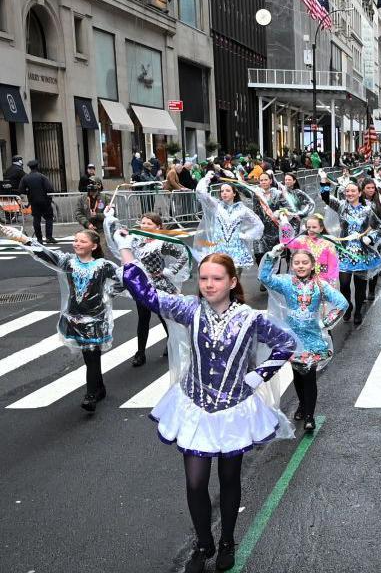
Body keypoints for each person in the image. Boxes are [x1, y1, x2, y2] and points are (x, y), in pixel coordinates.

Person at [116, 244, 296, 573]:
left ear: (231, 282)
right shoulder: (189, 310)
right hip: (195, 405)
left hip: (234, 410)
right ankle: (204, 543)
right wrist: (127, 253)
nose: (208, 284)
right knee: (196, 483)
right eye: (203, 278)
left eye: (216, 278)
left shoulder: (253, 318)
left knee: (229, 480)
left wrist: (257, 376)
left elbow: (286, 344)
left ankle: (227, 540)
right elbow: (147, 295)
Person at [1, 225, 119, 410]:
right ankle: (100, 388)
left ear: (93, 246)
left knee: (92, 355)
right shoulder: (69, 262)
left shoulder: (104, 266)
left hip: (95, 318)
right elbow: (44, 253)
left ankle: (90, 395)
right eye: (75, 240)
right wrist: (21, 238)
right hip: (74, 317)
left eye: (82, 241)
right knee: (89, 357)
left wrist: (108, 294)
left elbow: (124, 280)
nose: (77, 244)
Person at [260, 245, 348, 432]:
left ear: (312, 265)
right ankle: (302, 404)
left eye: (304, 263)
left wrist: (325, 323)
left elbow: (342, 303)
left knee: (309, 377)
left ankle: (309, 415)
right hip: (292, 339)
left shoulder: (321, 285)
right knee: (297, 376)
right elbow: (264, 278)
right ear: (291, 265)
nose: (300, 266)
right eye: (296, 262)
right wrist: (271, 256)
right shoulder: (286, 282)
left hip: (312, 338)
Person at [104, 209, 189, 367]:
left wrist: (168, 271)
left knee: (164, 317)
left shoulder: (162, 242)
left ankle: (172, 345)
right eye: (142, 223)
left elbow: (183, 254)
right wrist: (109, 216)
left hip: (160, 286)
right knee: (143, 319)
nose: (144, 225)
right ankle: (140, 353)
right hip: (141, 285)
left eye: (149, 223)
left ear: (158, 226)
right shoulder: (136, 240)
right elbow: (118, 234)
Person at [321, 181, 381, 326]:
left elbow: (378, 227)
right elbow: (326, 197)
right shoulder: (342, 206)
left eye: (353, 191)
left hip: (361, 253)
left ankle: (358, 311)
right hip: (344, 251)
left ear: (359, 193)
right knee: (344, 283)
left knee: (360, 285)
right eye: (347, 191)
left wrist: (370, 237)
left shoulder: (368, 210)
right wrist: (324, 182)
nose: (349, 194)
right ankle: (347, 306)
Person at [193, 172, 264, 271]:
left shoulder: (242, 209)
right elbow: (200, 192)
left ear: (234, 193)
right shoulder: (216, 206)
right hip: (219, 249)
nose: (224, 193)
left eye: (227, 191)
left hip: (236, 251)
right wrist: (207, 177)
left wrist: (246, 235)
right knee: (219, 279)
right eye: (222, 191)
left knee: (234, 281)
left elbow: (258, 225)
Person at [19, 159, 57, 244]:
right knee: (49, 218)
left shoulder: (25, 178)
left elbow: (21, 190)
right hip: (45, 201)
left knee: (36, 219)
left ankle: (39, 239)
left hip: (33, 201)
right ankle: (49, 237)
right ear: (37, 166)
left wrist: (28, 192)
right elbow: (50, 188)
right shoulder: (42, 176)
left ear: (29, 168)